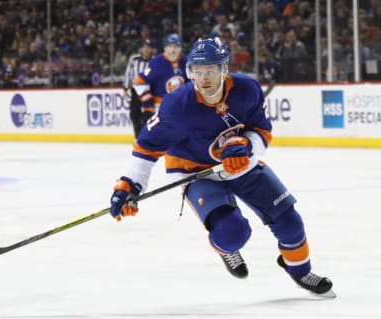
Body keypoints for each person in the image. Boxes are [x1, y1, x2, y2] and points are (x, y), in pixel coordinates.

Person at [109, 37, 334, 296]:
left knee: (290, 221)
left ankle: (300, 272)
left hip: (239, 165)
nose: (204, 78)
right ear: (190, 72)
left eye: (211, 71)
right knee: (232, 232)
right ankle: (227, 250)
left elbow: (262, 130)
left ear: (224, 69)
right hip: (195, 171)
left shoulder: (247, 89)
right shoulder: (177, 106)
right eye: (198, 71)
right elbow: (146, 146)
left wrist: (246, 147)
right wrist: (130, 185)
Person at [133, 33, 189, 129]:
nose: (173, 50)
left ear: (180, 48)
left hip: (181, 108)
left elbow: (192, 83)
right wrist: (148, 106)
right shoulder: (156, 63)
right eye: (170, 46)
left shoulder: (186, 62)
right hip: (160, 109)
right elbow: (139, 81)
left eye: (176, 46)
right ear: (165, 48)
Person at [124, 39, 155, 137]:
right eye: (144, 47)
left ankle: (148, 137)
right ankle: (138, 137)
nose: (146, 49)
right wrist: (125, 89)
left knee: (147, 115)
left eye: (148, 47)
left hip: (149, 91)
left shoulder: (155, 61)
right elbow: (128, 74)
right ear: (141, 49)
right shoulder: (134, 60)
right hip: (135, 91)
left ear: (151, 50)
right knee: (134, 114)